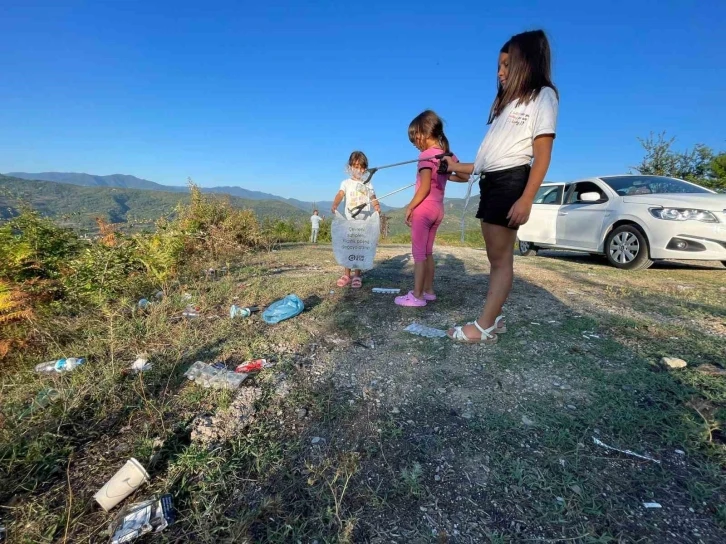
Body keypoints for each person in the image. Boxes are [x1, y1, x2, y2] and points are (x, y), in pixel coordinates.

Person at [442, 29, 559, 343]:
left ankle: (485, 326)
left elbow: (542, 156)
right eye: (499, 65)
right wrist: (455, 167)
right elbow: (487, 160)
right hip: (493, 181)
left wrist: (527, 198)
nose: (500, 72)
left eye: (507, 64)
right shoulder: (506, 106)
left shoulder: (542, 96)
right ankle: (493, 317)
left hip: (511, 182)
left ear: (527, 63)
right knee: (496, 257)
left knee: (500, 259)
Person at [394, 110, 463, 307]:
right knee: (428, 252)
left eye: (414, 138)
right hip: (438, 210)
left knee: (418, 255)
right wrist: (445, 174)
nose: (414, 143)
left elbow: (424, 188)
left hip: (423, 210)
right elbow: (465, 176)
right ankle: (429, 291)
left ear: (423, 133)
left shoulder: (425, 156)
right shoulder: (447, 155)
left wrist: (410, 207)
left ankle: (416, 296)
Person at [331, 151, 381, 289]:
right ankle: (347, 274)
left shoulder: (368, 183)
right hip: (349, 222)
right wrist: (335, 204)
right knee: (348, 246)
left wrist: (376, 206)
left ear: (365, 168)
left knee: (360, 248)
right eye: (355, 166)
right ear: (350, 167)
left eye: (361, 167)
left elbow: (373, 197)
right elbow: (340, 194)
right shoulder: (346, 183)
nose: (358, 170)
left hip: (363, 224)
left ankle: (357, 274)